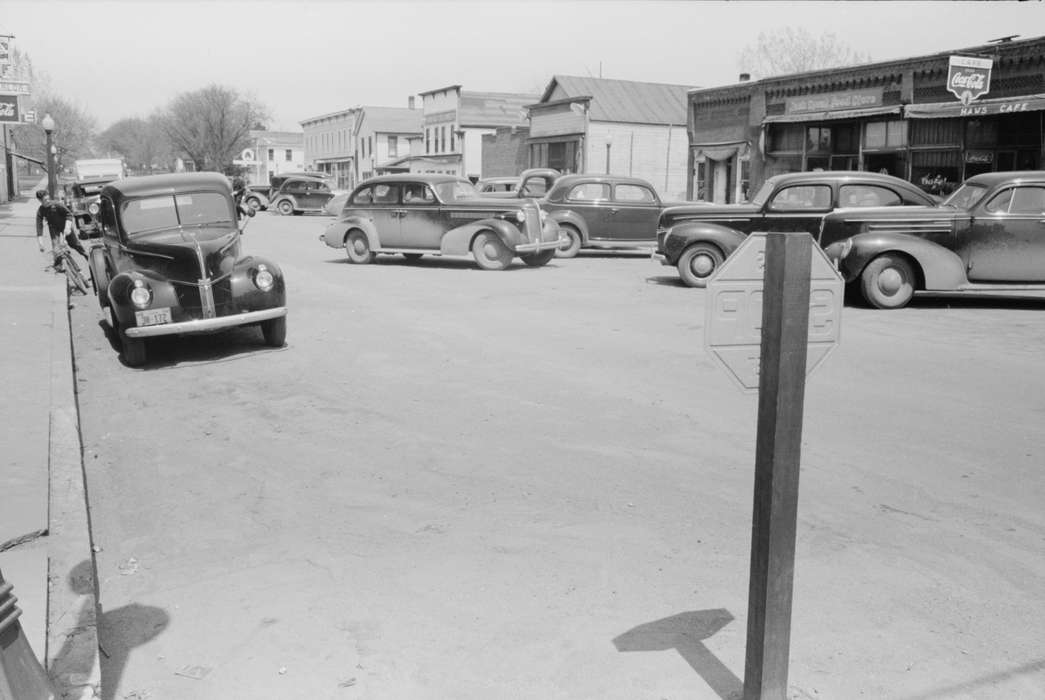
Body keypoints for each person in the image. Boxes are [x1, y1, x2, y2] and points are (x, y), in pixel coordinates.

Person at [35, 189, 87, 271]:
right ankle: (60, 266)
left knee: (75, 244)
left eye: (48, 198)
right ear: (40, 200)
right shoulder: (41, 210)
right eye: (45, 200)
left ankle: (89, 258)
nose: (48, 201)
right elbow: (39, 226)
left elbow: (69, 214)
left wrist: (67, 228)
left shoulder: (57, 205)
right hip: (53, 228)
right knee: (56, 248)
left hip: (65, 225)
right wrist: (40, 243)